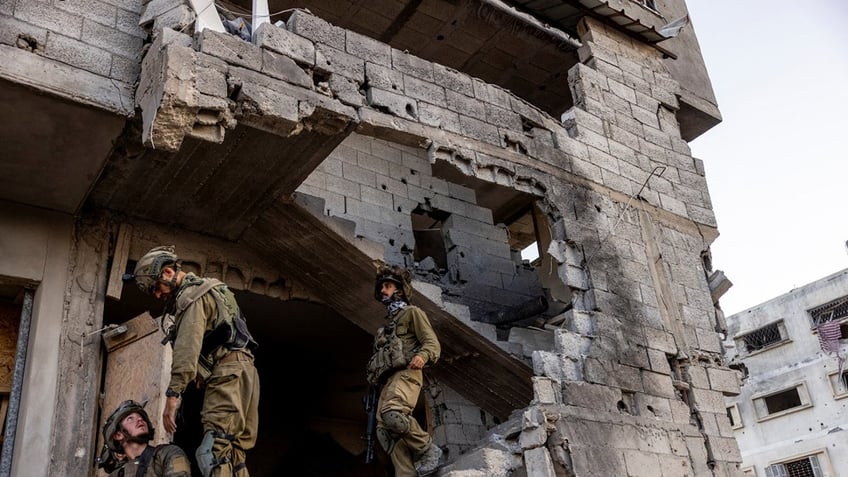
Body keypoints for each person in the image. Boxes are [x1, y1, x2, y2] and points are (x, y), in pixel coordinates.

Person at [129, 245, 260, 477]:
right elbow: (222, 335)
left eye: (156, 288)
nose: (158, 295)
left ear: (168, 273)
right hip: (245, 371)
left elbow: (186, 352)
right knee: (234, 455)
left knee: (212, 453)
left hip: (228, 374)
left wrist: (172, 398)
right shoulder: (212, 288)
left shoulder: (191, 297)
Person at [366, 264, 443, 476]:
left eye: (388, 286)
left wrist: (423, 356)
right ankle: (406, 474)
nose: (383, 290)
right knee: (384, 432)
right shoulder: (385, 329)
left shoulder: (412, 313)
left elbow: (432, 343)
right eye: (382, 286)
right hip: (388, 381)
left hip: (407, 374)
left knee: (393, 415)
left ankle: (428, 450)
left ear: (399, 290)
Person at [97, 399, 191, 477]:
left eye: (141, 417)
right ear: (118, 435)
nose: (140, 419)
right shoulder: (117, 475)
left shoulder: (166, 454)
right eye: (130, 418)